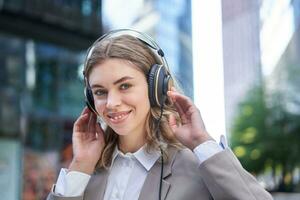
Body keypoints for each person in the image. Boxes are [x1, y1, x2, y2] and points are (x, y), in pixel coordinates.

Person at [47, 29, 273, 200]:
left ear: (157, 87)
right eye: (100, 92)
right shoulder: (85, 173)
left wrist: (202, 143)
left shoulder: (197, 167)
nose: (112, 103)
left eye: (124, 86)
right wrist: (81, 163)